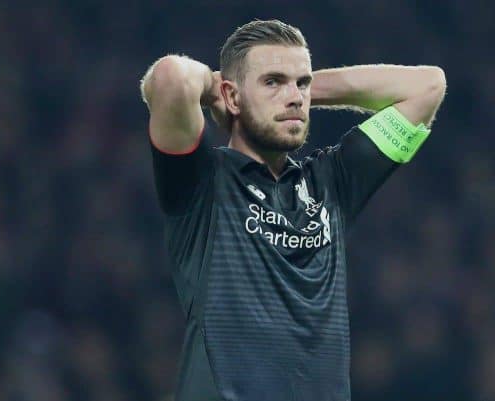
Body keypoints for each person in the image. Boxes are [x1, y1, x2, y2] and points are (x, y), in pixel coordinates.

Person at [140, 19, 445, 401]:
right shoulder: (202, 183)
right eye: (272, 81)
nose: (295, 97)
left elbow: (427, 86)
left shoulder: (333, 183)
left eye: (301, 83)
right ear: (231, 97)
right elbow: (171, 78)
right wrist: (219, 88)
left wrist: (297, 92)